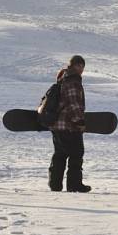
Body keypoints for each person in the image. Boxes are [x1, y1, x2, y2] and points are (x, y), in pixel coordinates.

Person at [48, 55, 91, 193]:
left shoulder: (63, 79)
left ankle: (55, 184)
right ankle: (74, 185)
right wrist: (80, 122)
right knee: (76, 154)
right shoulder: (73, 81)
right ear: (77, 66)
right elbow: (74, 103)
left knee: (60, 154)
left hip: (57, 125)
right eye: (82, 66)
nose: (82, 70)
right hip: (69, 126)